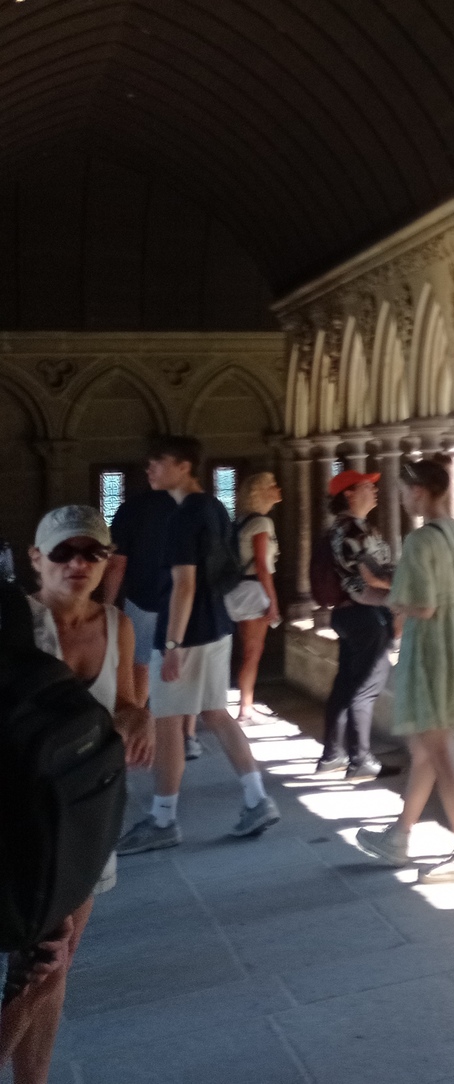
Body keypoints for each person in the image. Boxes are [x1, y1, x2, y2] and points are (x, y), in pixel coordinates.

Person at [5, 507, 153, 1084]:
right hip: (22, 815)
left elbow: (128, 705)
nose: (78, 563)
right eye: (63, 552)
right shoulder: (13, 622)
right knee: (40, 964)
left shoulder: (117, 625)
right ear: (35, 558)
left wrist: (141, 718)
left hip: (85, 815)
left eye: (92, 552)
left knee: (56, 964)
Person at [113, 436, 280, 854]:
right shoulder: (214, 507)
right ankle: (257, 799)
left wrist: (172, 643)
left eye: (158, 462)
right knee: (215, 712)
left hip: (186, 635)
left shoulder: (183, 516)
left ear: (184, 466)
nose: (150, 470)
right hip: (217, 625)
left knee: (167, 720)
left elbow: (184, 584)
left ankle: (163, 819)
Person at [355, 455, 454, 882]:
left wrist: (382, 598)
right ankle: (399, 835)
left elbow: (423, 606)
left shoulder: (419, 541)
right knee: (425, 748)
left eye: (402, 490)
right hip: (453, 646)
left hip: (429, 647)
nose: (400, 498)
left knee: (440, 751)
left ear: (418, 491)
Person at [104, 473, 201, 762]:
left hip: (143, 598)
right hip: (188, 603)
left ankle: (136, 726)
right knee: (184, 667)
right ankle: (188, 736)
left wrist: (107, 606)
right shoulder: (194, 508)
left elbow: (117, 565)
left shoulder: (132, 509)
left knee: (141, 665)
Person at [317, 470, 394, 781]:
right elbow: (374, 576)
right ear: (348, 494)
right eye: (366, 486)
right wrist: (414, 583)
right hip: (366, 615)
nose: (374, 489)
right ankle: (360, 760)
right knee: (366, 685)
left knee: (346, 684)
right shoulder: (353, 530)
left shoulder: (343, 528)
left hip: (348, 614)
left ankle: (332, 755)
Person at [228, 471, 283, 723]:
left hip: (236, 591)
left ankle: (246, 704)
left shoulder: (241, 521)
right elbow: (262, 565)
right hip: (252, 592)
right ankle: (245, 709)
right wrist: (273, 602)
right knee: (252, 652)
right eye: (272, 485)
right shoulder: (262, 523)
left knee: (247, 651)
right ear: (260, 493)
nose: (278, 489)